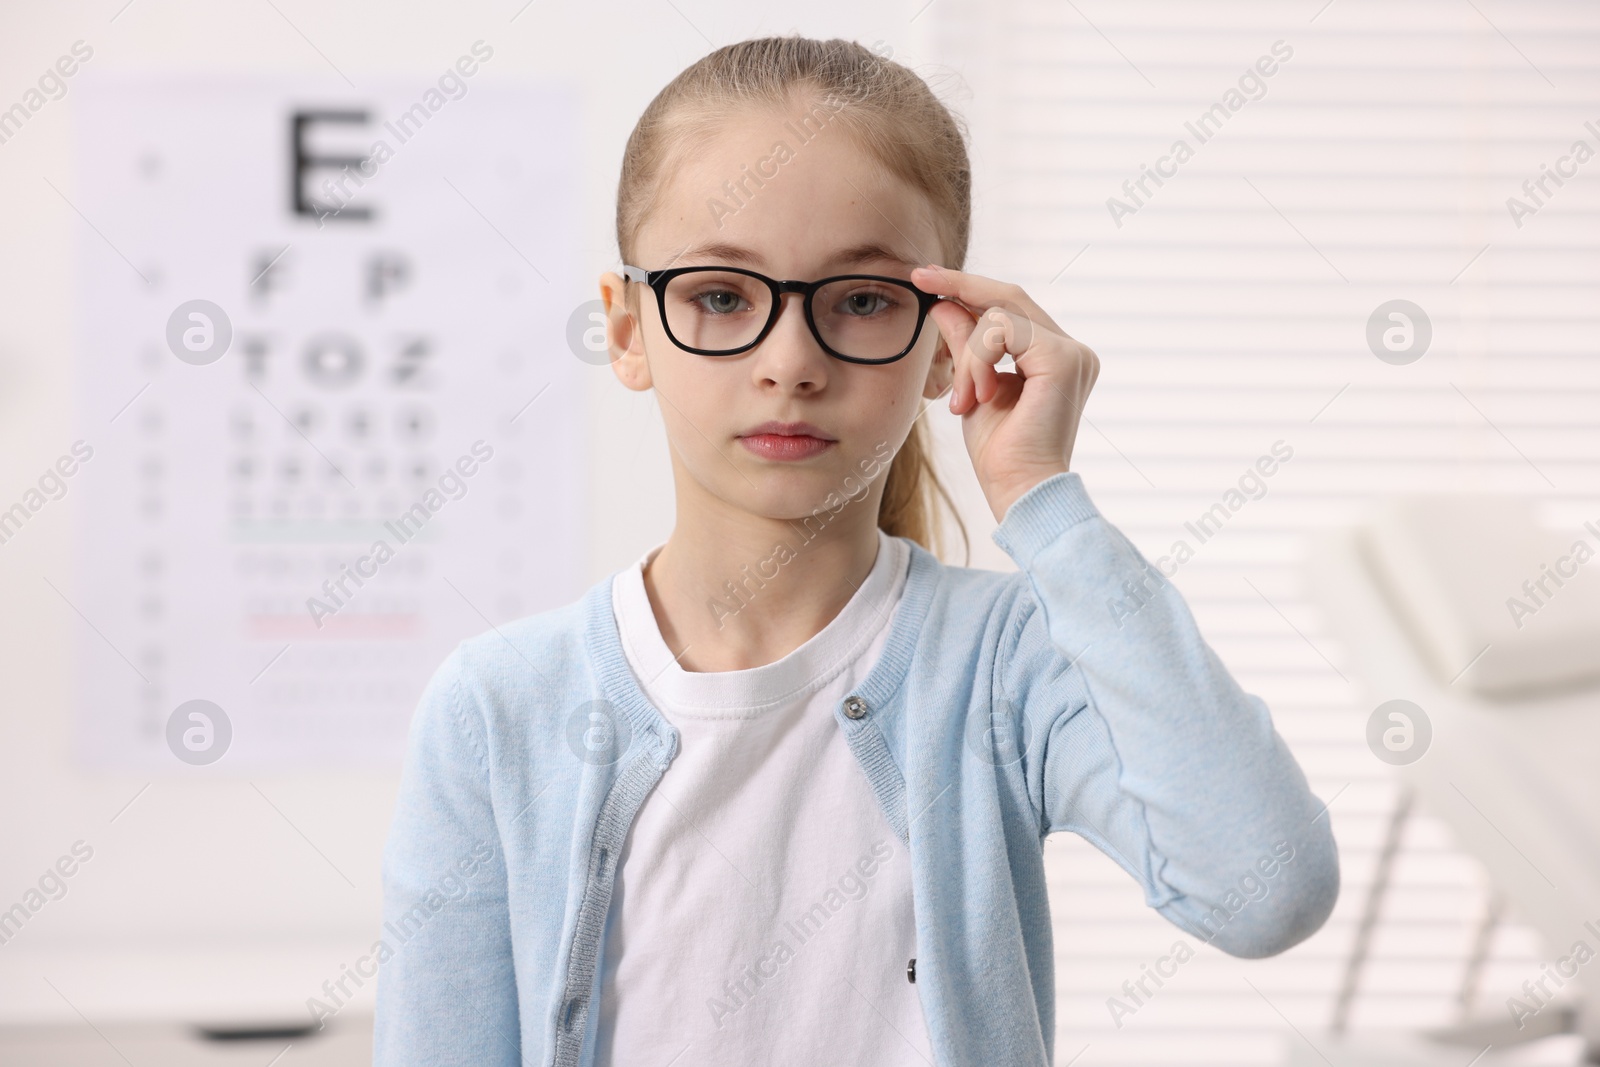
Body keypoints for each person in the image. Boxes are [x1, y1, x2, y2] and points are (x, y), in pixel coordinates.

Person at [373, 34, 1339, 1067]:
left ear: (944, 339)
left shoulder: (1004, 663)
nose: (789, 363)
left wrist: (1041, 499)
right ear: (626, 330)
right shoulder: (497, 704)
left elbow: (1263, 885)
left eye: (864, 300)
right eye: (720, 296)